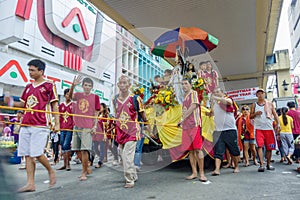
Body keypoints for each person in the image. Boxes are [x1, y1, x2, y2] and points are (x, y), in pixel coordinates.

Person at [5, 59, 59, 192]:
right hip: (26, 123)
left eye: (32, 70)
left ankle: (51, 171)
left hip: (40, 124)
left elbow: (54, 105)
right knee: (27, 154)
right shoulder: (28, 87)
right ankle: (30, 183)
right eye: (29, 70)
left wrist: (57, 123)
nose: (30, 72)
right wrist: (10, 102)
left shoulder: (49, 85)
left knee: (37, 153)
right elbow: (22, 105)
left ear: (41, 71)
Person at [113, 75, 149, 188]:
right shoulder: (115, 99)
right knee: (123, 155)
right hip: (120, 131)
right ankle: (133, 175)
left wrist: (147, 124)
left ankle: (129, 180)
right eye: (121, 83)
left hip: (133, 131)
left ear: (129, 85)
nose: (123, 85)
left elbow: (142, 113)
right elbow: (116, 114)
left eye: (125, 83)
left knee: (126, 156)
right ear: (118, 84)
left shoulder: (135, 98)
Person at [69, 76, 100, 181]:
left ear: (92, 87)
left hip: (87, 126)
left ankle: (83, 172)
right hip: (77, 124)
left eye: (89, 86)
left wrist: (95, 125)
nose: (87, 87)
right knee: (76, 149)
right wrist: (73, 85)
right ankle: (86, 167)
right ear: (82, 86)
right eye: (85, 85)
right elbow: (69, 97)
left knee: (84, 149)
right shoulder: (78, 95)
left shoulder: (95, 97)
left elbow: (96, 112)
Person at [178, 78, 207, 182]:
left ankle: (202, 173)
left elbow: (193, 106)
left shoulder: (193, 93)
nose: (184, 86)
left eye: (186, 83)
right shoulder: (184, 97)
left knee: (198, 149)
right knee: (190, 150)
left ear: (190, 85)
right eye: (182, 84)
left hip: (194, 125)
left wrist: (182, 119)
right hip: (186, 127)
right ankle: (194, 172)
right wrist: (182, 121)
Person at [210, 87, 240, 175]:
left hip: (230, 129)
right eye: (214, 92)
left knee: (233, 149)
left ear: (222, 92)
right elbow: (212, 112)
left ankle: (236, 166)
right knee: (218, 151)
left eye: (217, 92)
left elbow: (229, 102)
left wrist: (215, 98)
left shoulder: (228, 99)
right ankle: (217, 169)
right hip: (218, 130)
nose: (216, 93)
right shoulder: (215, 103)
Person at [250, 88, 280, 172]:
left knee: (269, 148)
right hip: (258, 129)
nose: (260, 95)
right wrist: (256, 113)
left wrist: (278, 123)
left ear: (264, 94)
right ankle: (261, 164)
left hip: (269, 128)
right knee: (259, 146)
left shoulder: (270, 104)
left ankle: (268, 164)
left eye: (261, 93)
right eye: (258, 93)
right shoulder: (254, 105)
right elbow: (250, 116)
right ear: (256, 95)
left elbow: (275, 114)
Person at [57, 89, 73, 171]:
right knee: (62, 145)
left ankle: (68, 164)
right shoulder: (61, 105)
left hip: (69, 128)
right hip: (62, 128)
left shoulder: (73, 105)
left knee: (66, 145)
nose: (68, 96)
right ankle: (64, 164)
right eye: (67, 94)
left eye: (70, 94)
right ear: (64, 95)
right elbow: (58, 116)